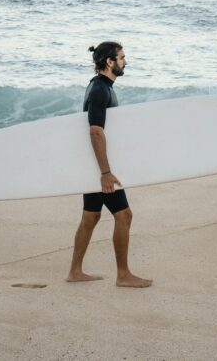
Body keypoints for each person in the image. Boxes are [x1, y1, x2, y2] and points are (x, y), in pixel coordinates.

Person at [66, 41, 152, 288]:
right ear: (109, 62)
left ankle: (75, 271)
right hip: (100, 168)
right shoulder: (99, 90)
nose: (126, 61)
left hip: (93, 165)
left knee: (91, 217)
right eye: (122, 57)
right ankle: (123, 275)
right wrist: (105, 173)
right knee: (124, 215)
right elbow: (95, 131)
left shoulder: (99, 86)